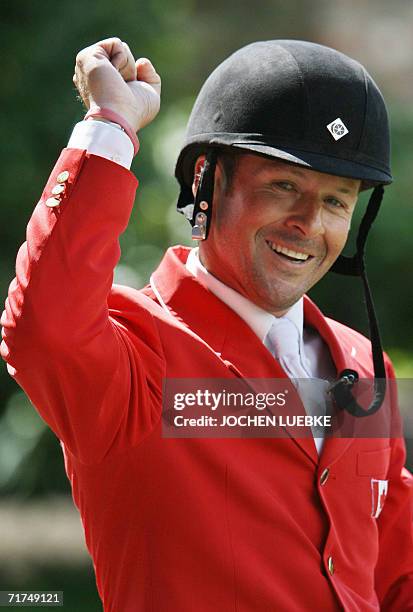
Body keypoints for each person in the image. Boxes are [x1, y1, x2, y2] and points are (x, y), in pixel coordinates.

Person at [1, 36, 413, 611]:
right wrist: (111, 124)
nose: (309, 224)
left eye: (337, 201)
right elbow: (43, 330)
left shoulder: (365, 370)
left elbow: (397, 578)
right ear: (206, 181)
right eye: (284, 186)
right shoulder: (138, 353)